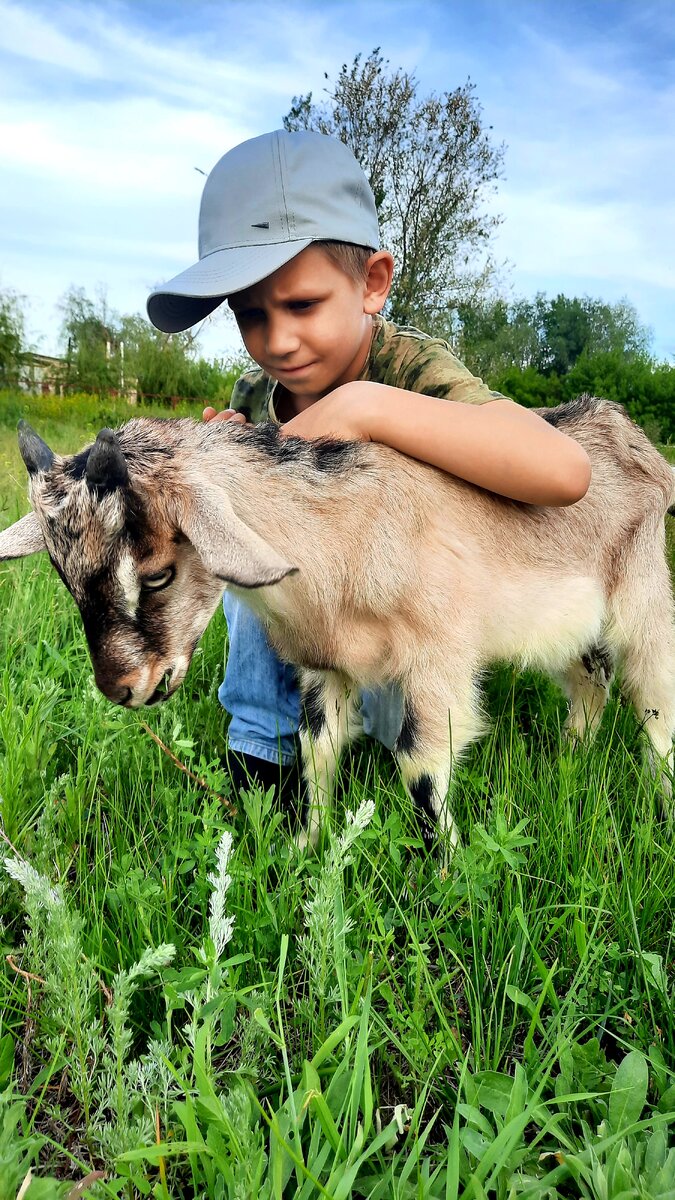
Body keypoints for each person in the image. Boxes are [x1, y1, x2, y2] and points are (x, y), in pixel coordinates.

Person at [147, 129, 591, 804]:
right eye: (249, 315)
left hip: (407, 607)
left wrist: (364, 408)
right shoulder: (254, 394)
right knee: (241, 545)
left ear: (372, 283)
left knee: (402, 683)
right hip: (315, 621)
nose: (276, 341)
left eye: (301, 304)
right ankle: (261, 752)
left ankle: (394, 752)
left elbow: (562, 471)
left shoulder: (410, 371)